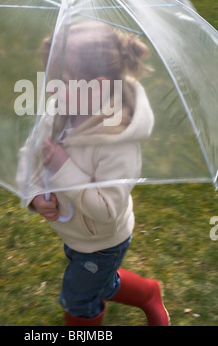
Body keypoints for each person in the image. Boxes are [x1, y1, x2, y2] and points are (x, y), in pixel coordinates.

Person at [17, 21, 169, 326]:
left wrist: (63, 169)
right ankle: (149, 292)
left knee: (77, 299)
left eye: (60, 80)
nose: (49, 89)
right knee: (102, 284)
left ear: (97, 86)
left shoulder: (117, 142)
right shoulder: (60, 110)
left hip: (102, 242)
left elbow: (107, 211)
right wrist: (33, 194)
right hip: (76, 232)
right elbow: (30, 154)